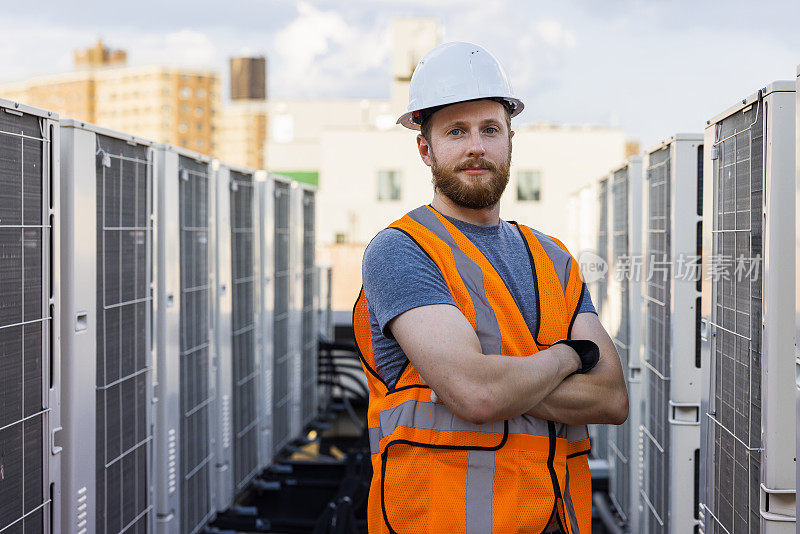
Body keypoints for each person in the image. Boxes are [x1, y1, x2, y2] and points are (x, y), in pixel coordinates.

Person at [353, 41, 629, 534]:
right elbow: (476, 395)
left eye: (489, 129)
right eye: (456, 131)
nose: (475, 146)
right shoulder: (403, 250)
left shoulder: (554, 259)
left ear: (509, 141)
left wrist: (502, 384)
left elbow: (611, 399)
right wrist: (568, 357)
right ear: (426, 148)